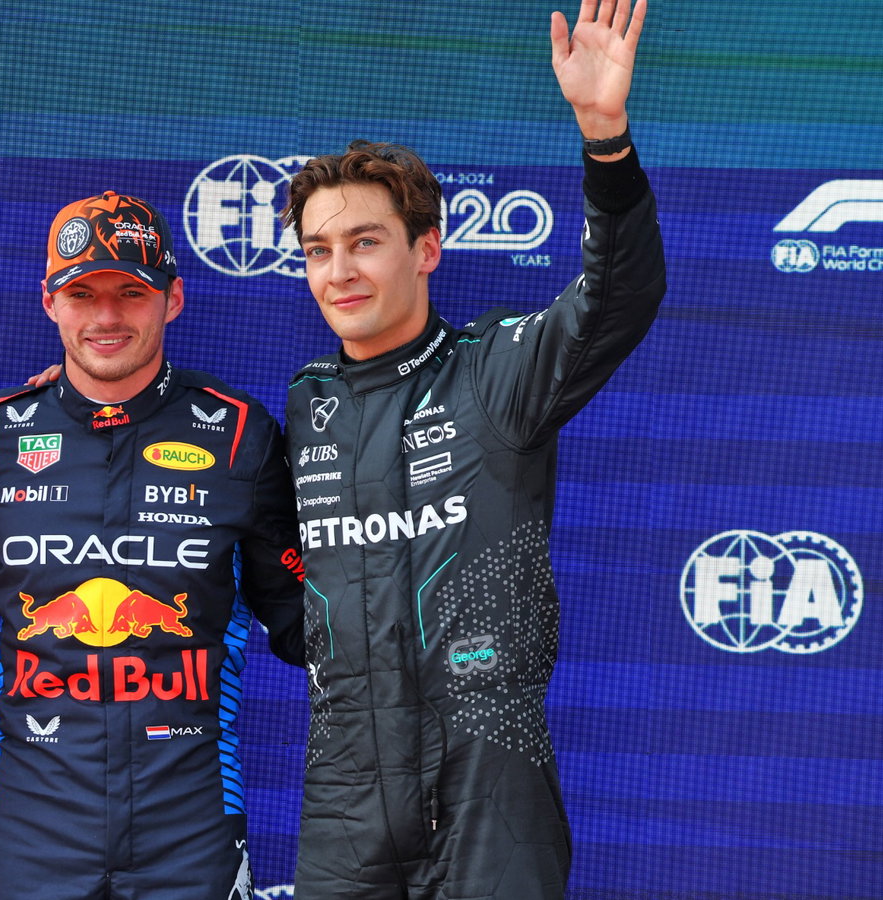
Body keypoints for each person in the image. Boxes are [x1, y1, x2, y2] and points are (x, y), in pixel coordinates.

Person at [277, 1, 663, 897]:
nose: (340, 271)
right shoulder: (307, 407)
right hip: (345, 798)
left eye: (365, 243)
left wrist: (605, 138)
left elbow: (618, 295)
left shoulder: (495, 372)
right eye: (319, 250)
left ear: (428, 250)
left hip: (491, 781)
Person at [0, 191, 306, 899]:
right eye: (83, 294)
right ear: (49, 303)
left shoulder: (239, 434)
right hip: (28, 821)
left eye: (131, 293)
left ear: (173, 298)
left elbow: (302, 622)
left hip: (189, 823)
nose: (106, 317)